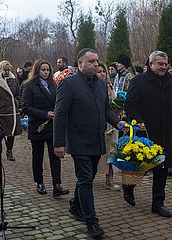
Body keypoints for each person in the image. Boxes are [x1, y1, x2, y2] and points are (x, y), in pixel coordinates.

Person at [53, 48, 125, 238]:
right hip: (78, 141)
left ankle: (75, 205)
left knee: (89, 176)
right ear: (80, 64)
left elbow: (106, 109)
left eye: (97, 61)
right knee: (85, 179)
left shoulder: (101, 85)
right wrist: (58, 143)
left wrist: (117, 122)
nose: (96, 64)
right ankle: (91, 221)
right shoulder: (68, 84)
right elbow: (59, 114)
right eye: (92, 61)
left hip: (97, 140)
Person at [125, 50, 172, 217]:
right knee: (141, 168)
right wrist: (139, 120)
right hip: (146, 133)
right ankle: (128, 187)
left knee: (162, 169)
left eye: (165, 64)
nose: (164, 67)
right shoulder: (139, 81)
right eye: (160, 64)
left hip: (165, 133)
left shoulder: (169, 81)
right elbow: (130, 105)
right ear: (151, 65)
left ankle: (158, 204)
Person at [21, 59, 69, 197]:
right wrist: (44, 114)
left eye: (48, 70)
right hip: (37, 126)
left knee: (55, 156)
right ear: (37, 70)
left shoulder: (53, 84)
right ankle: (39, 182)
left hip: (52, 125)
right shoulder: (28, 85)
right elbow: (25, 107)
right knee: (38, 156)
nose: (46, 72)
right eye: (43, 70)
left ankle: (57, 185)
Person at [0, 60, 22, 161]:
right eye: (5, 70)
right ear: (1, 69)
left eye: (8, 70)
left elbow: (18, 94)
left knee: (12, 133)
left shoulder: (14, 80)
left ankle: (9, 151)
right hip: (0, 111)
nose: (7, 72)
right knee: (0, 132)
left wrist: (18, 105)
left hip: (12, 110)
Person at [96, 62, 120, 191]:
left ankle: (109, 179)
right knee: (99, 153)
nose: (102, 74)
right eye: (99, 71)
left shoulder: (109, 86)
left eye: (103, 71)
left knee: (112, 151)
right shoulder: (94, 87)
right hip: (100, 125)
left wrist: (118, 107)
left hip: (112, 124)